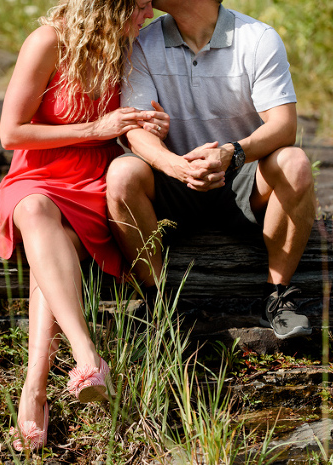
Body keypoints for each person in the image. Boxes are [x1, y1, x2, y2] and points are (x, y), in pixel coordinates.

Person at [0, 0, 165, 451]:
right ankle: (86, 355)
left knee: (50, 253)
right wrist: (95, 129)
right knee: (32, 211)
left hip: (92, 187)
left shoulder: (132, 46)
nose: (149, 13)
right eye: (140, 6)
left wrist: (149, 125)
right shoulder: (48, 42)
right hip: (37, 176)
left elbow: (128, 124)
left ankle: (35, 390)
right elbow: (11, 133)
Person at [106, 0, 317, 340]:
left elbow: (283, 126)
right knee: (121, 174)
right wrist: (176, 167)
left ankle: (277, 299)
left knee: (295, 162)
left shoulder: (259, 39)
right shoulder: (142, 42)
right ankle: (157, 303)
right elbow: (135, 130)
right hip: (173, 183)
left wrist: (230, 154)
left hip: (241, 178)